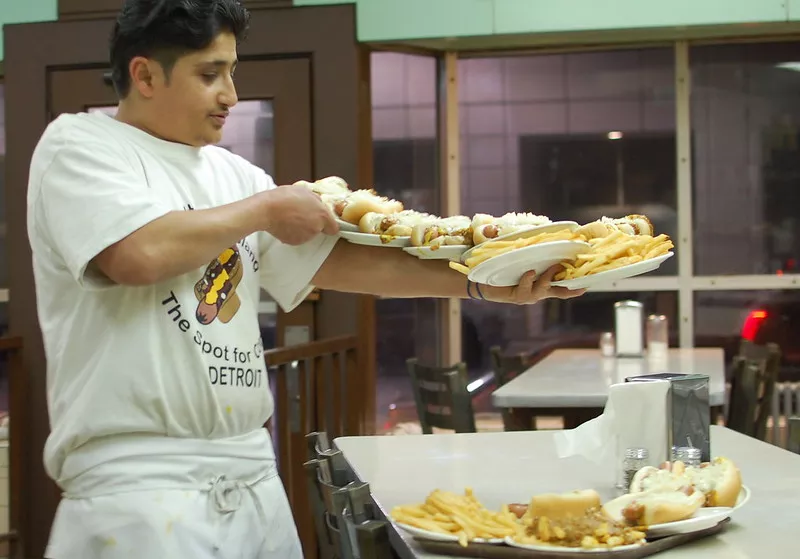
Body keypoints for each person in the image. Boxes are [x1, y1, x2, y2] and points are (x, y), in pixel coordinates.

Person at [26, 1, 585, 558]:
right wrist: (266, 208)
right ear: (144, 74)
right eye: (208, 73)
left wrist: (485, 281)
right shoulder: (79, 146)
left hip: (249, 472)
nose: (230, 95)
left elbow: (341, 262)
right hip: (139, 488)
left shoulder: (232, 173)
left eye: (231, 71)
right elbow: (137, 254)